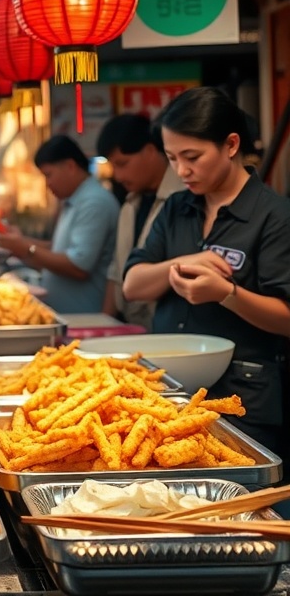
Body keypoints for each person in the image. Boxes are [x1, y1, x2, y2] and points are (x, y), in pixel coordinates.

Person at [124, 87, 290, 461]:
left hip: (243, 400)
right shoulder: (177, 208)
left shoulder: (274, 215)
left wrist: (227, 294)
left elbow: (287, 317)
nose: (182, 170)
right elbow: (132, 285)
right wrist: (181, 264)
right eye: (172, 158)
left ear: (231, 145)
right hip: (165, 395)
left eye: (192, 157)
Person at [0, 135, 119, 314]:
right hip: (68, 315)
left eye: (49, 175)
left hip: (86, 318)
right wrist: (19, 242)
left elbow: (78, 267)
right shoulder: (73, 200)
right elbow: (58, 250)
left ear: (70, 166)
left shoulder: (94, 202)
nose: (47, 184)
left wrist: (26, 248)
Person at [97, 113, 184, 329]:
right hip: (130, 326)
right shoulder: (129, 204)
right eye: (113, 166)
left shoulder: (182, 199)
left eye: (122, 164)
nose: (117, 175)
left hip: (166, 330)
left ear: (150, 151)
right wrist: (105, 326)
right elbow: (117, 270)